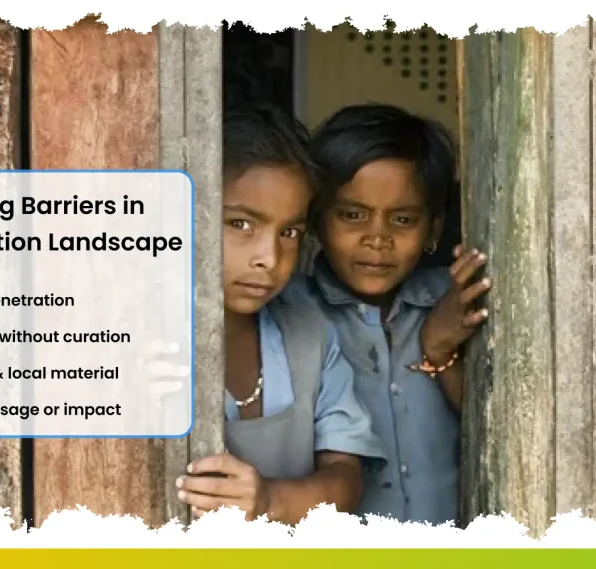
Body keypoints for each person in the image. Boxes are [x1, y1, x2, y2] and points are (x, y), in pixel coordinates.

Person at [174, 103, 384, 525]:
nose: (269, 258)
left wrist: (269, 500)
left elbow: (346, 478)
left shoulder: (310, 331)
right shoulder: (140, 335)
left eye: (289, 232)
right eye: (241, 225)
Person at [282, 103, 492, 526]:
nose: (377, 239)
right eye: (353, 215)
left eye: (402, 219)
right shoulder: (287, 314)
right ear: (316, 219)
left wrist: (441, 352)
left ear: (433, 228)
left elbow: (511, 435)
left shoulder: (459, 300)